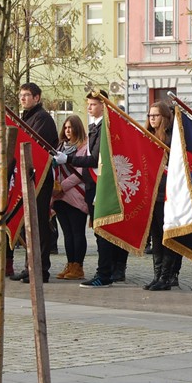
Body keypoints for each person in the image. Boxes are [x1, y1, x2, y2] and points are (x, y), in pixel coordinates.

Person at [62, 90, 123, 288]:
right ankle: (106, 271)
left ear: (104, 105)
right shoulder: (94, 127)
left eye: (94, 104)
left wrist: (69, 159)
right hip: (92, 185)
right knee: (98, 232)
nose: (89, 107)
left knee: (102, 232)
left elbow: (94, 159)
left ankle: (104, 273)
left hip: (100, 185)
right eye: (88, 104)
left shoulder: (104, 127)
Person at [11, 82, 58, 284]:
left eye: (27, 95)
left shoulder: (43, 119)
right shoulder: (26, 117)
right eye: (21, 95)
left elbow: (32, 145)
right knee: (28, 224)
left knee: (38, 224)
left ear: (37, 98)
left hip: (39, 178)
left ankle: (40, 269)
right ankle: (29, 266)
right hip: (27, 177)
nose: (23, 98)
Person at [145, 101, 184, 291]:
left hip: (167, 193)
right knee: (155, 236)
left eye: (155, 115)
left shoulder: (172, 136)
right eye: (150, 115)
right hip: (151, 192)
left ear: (165, 117)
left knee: (165, 236)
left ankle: (167, 277)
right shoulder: (148, 136)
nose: (152, 119)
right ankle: (157, 275)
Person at [53, 115, 89, 281]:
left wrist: (63, 185)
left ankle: (78, 266)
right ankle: (70, 263)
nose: (68, 131)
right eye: (65, 128)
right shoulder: (60, 146)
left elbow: (81, 173)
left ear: (77, 128)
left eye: (71, 127)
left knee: (77, 232)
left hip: (76, 194)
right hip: (60, 197)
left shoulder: (84, 146)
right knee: (66, 233)